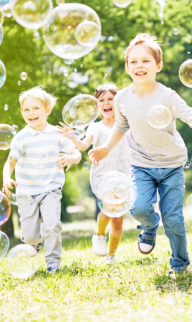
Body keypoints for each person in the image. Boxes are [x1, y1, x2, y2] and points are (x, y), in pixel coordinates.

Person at [89, 33, 192, 274]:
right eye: (134, 61)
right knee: (139, 208)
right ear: (127, 67)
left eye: (146, 61)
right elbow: (121, 126)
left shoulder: (167, 95)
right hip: (141, 165)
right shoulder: (122, 98)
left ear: (158, 65)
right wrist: (105, 148)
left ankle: (180, 264)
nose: (140, 65)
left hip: (171, 165)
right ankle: (150, 226)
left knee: (174, 219)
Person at [3, 86, 81, 273]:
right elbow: (10, 161)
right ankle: (35, 243)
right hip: (26, 192)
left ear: (47, 110)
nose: (31, 113)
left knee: (52, 225)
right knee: (29, 236)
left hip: (51, 188)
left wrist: (72, 157)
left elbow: (76, 152)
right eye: (26, 109)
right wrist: (6, 177)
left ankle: (53, 264)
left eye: (36, 108)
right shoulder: (21, 137)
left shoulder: (56, 133)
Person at [57, 82, 131, 265]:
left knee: (118, 221)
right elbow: (83, 146)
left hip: (125, 176)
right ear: (97, 106)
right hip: (103, 176)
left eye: (111, 99)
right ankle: (99, 234)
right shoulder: (95, 128)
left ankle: (111, 255)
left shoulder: (127, 124)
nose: (106, 103)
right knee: (109, 207)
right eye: (102, 100)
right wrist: (72, 137)